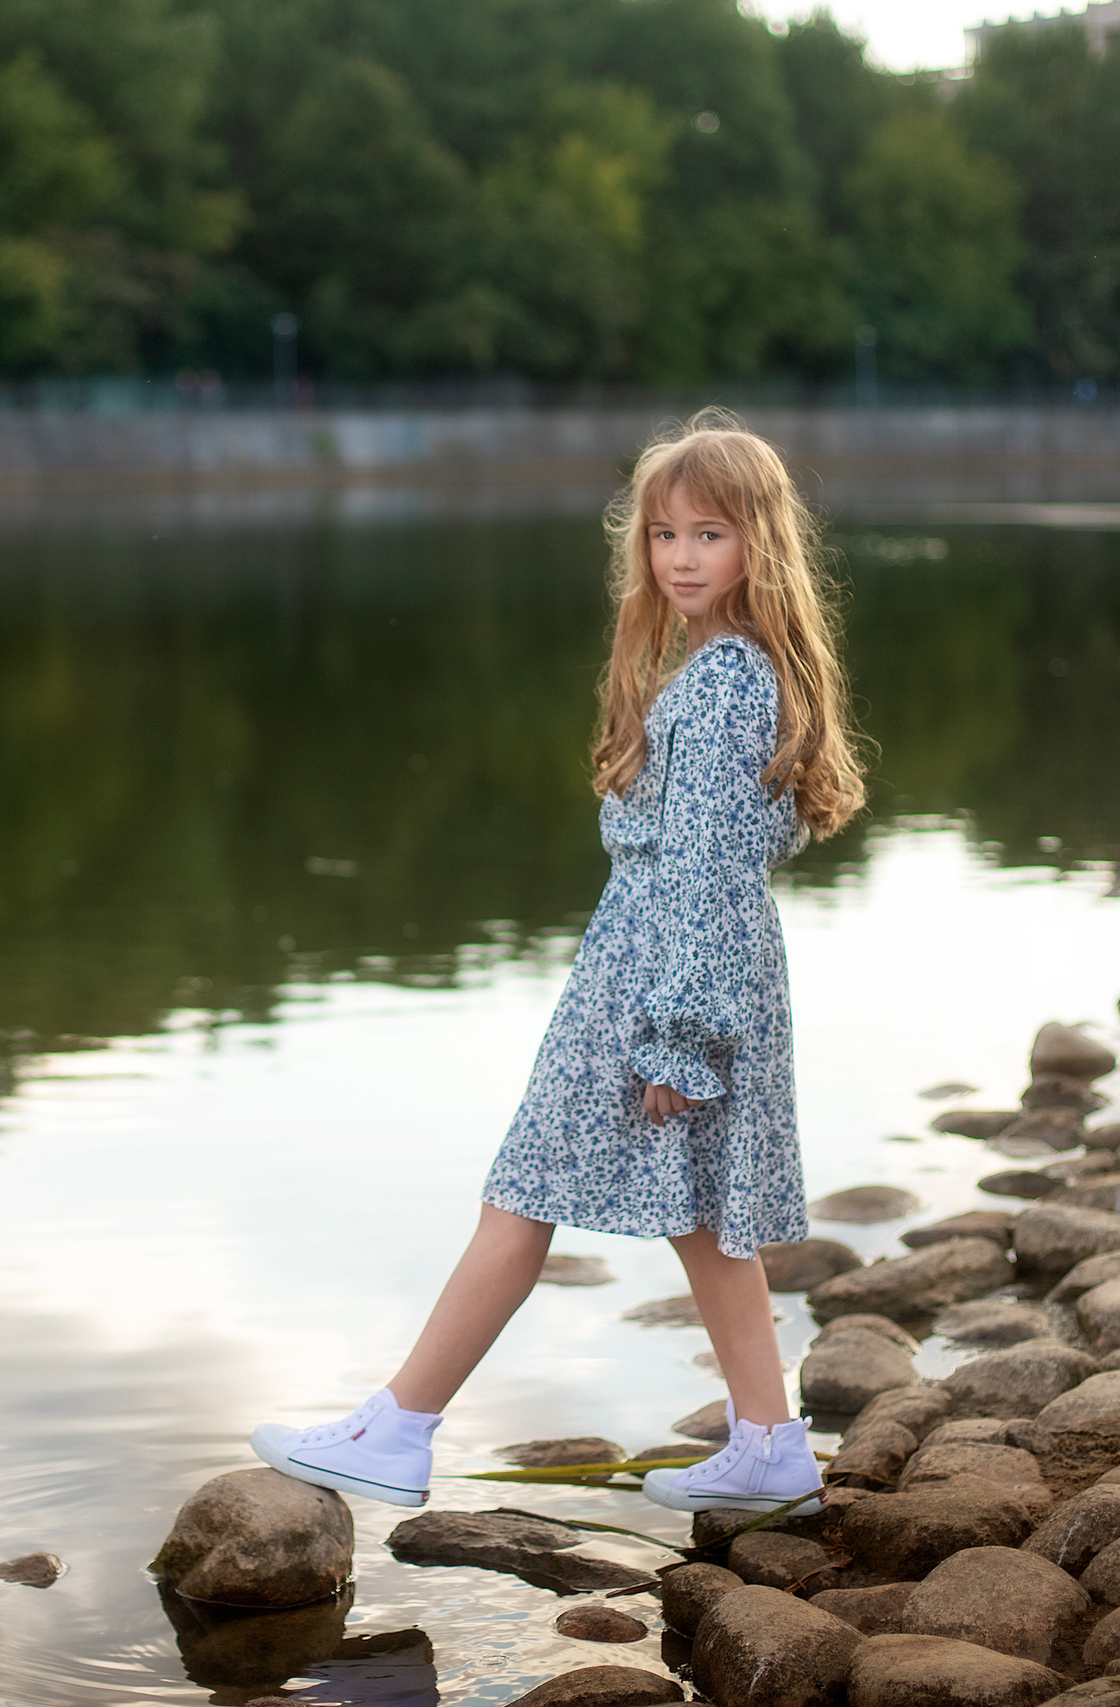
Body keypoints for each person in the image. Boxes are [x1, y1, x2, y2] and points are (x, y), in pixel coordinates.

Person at [250, 410, 864, 1514]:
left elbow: (704, 875)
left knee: (521, 1194)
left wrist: (677, 1036)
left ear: (757, 546)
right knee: (700, 1211)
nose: (679, 558)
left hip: (659, 982)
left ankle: (398, 1428)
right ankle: (768, 1443)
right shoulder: (732, 669)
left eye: (709, 535)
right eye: (663, 534)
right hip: (673, 970)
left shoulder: (724, 685)